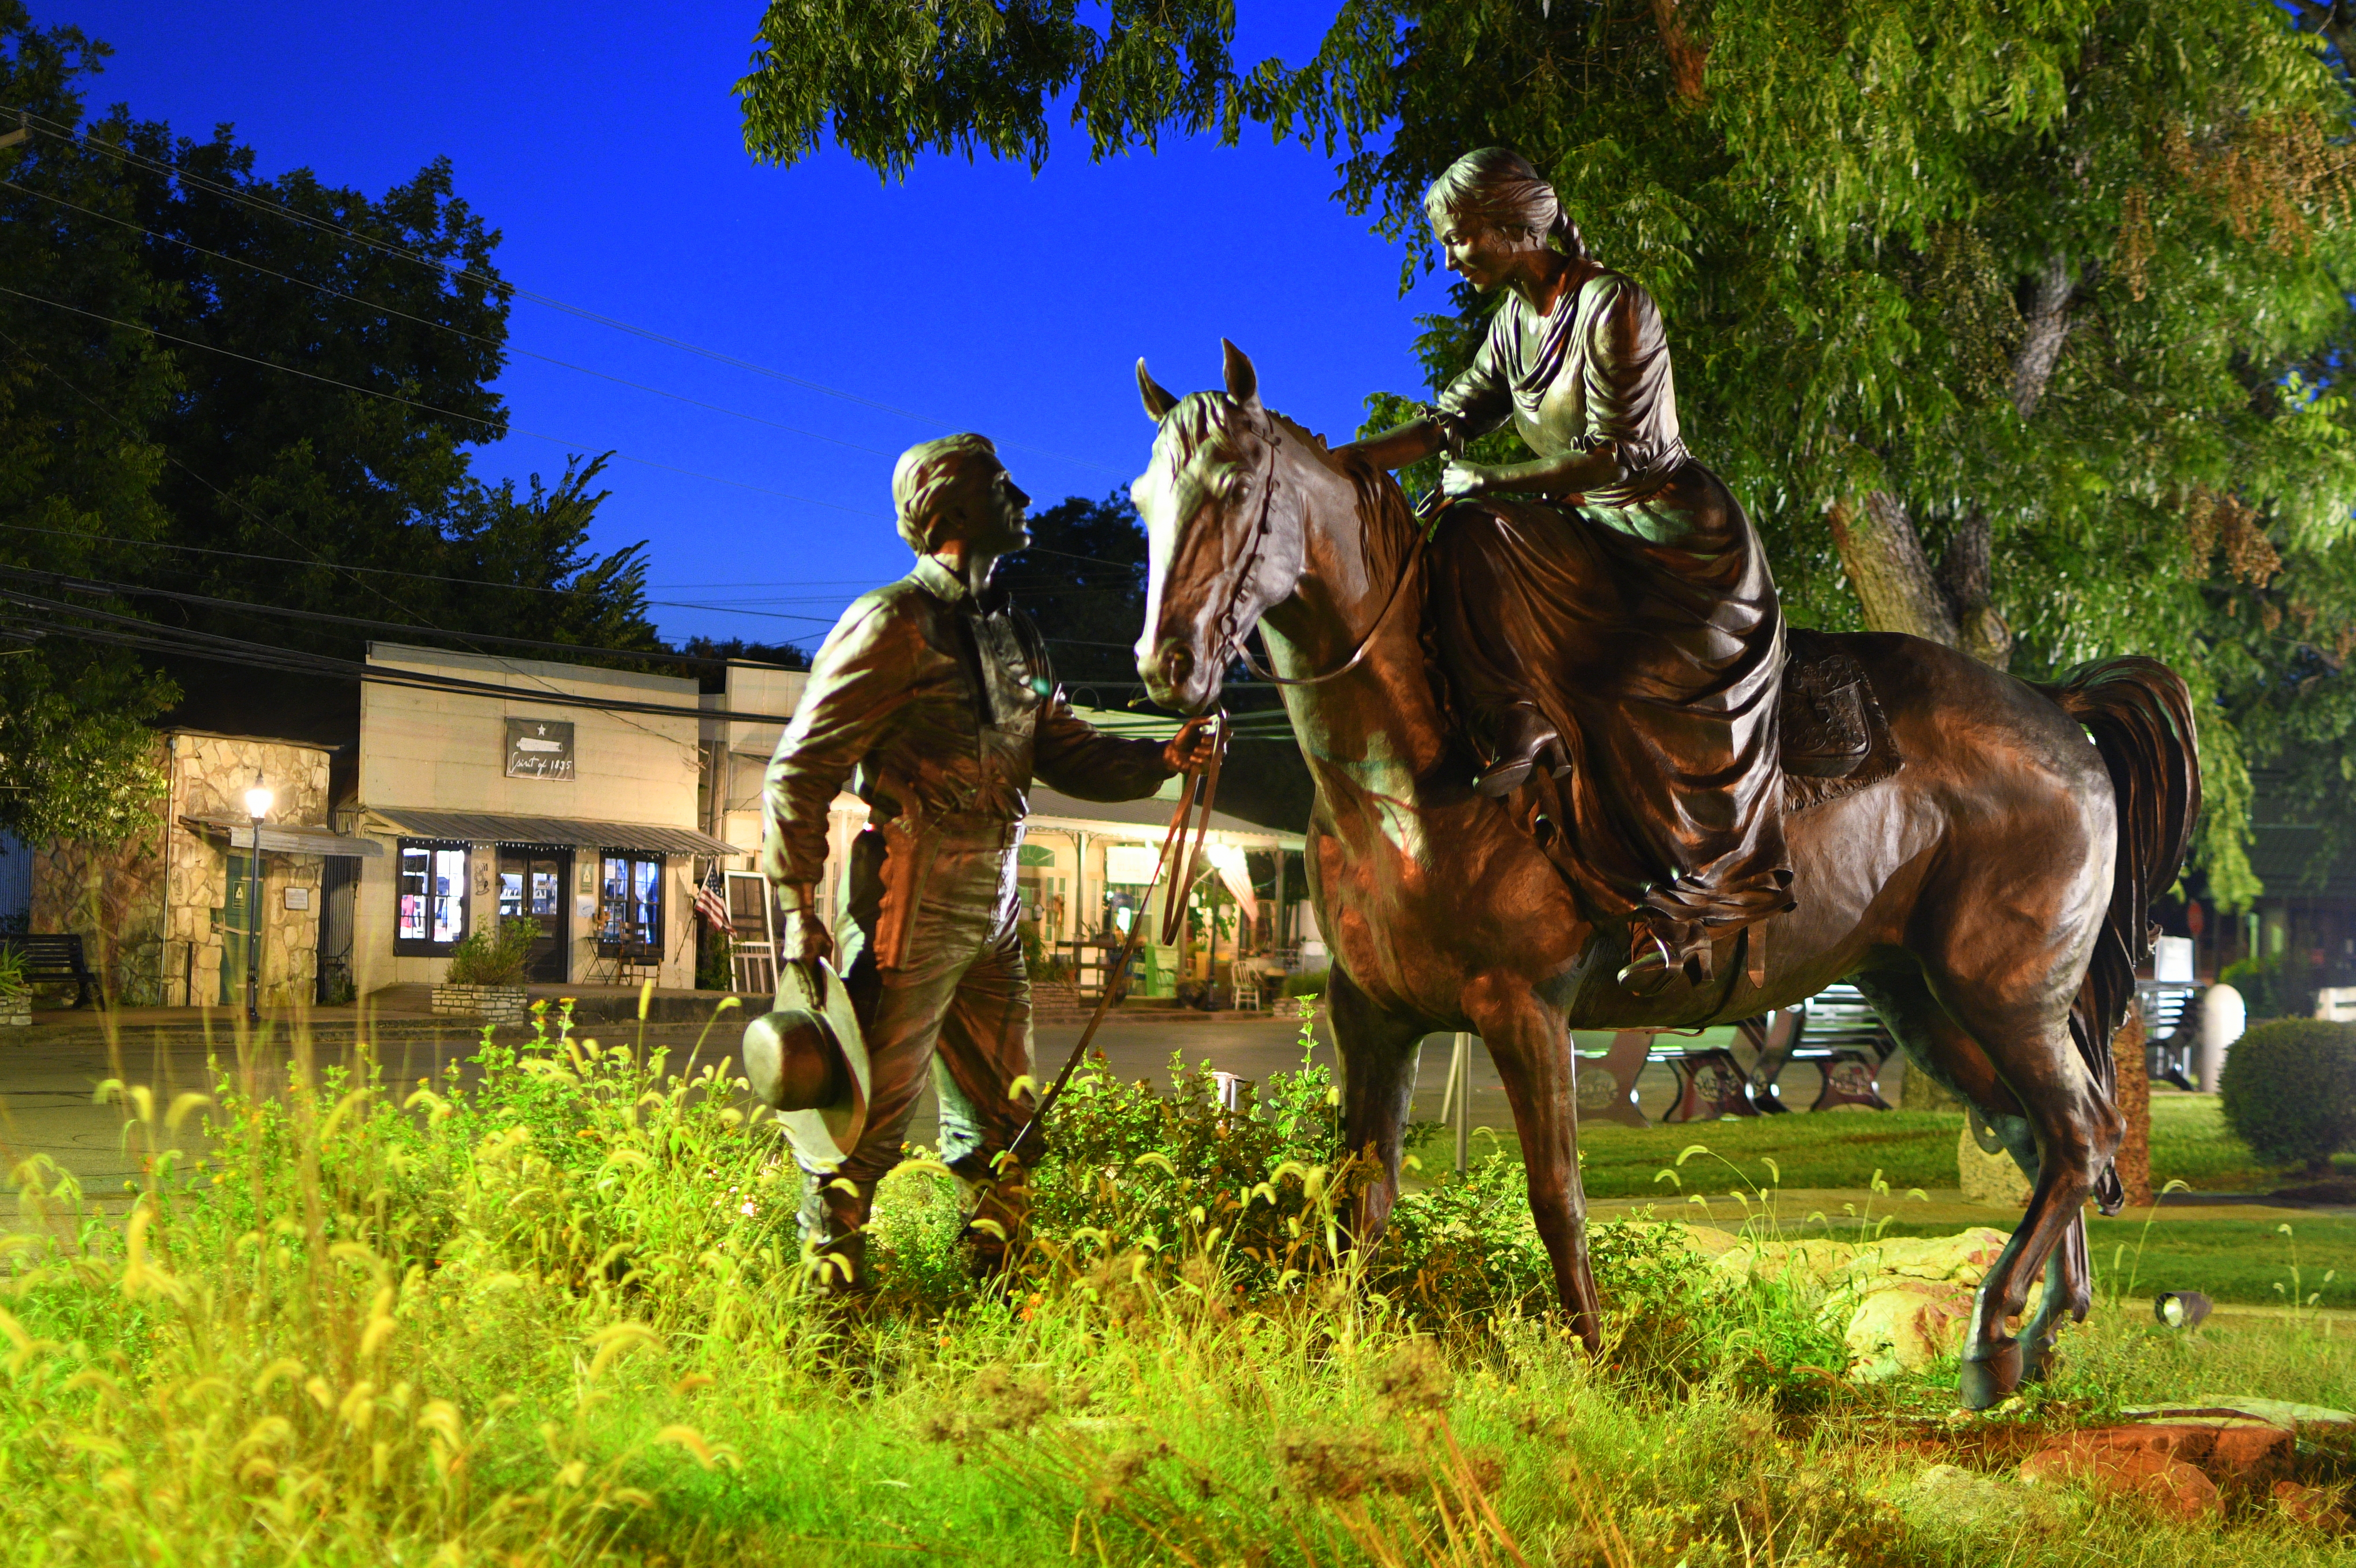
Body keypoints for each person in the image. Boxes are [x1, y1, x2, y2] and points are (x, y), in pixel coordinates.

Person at [761, 433, 1217, 1287]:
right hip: (909, 900)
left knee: (1010, 1123)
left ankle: (984, 1289)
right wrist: (795, 911)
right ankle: (824, 1317)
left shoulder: (1020, 636)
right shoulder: (888, 624)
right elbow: (797, 774)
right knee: (857, 1129)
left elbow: (1067, 749)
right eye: (1002, 486)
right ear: (950, 512)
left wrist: (1163, 757)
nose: (1025, 497)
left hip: (996, 909)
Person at [1338, 147, 1790, 995]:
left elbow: (1621, 454)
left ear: (1515, 226)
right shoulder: (1510, 327)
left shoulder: (1615, 306)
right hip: (1590, 540)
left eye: (1460, 239)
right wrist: (1338, 466)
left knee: (1578, 641)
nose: (1450, 258)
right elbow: (1445, 427)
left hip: (1673, 549)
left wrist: (1492, 479)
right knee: (1464, 538)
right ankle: (1515, 716)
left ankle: (1681, 887)